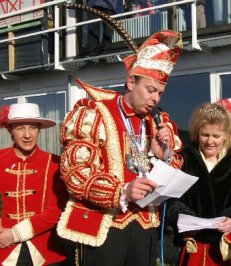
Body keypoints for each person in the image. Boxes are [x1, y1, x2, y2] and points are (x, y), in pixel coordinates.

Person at [56, 30, 184, 266]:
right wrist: (122, 191)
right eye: (150, 90)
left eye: (160, 93)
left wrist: (162, 156)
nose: (155, 99)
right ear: (130, 82)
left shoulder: (158, 122)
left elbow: (173, 168)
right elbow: (75, 172)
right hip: (103, 225)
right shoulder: (93, 113)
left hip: (145, 224)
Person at [166, 103, 231, 265]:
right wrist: (185, 220)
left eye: (216, 136)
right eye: (205, 135)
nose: (210, 141)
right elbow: (172, 200)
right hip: (197, 245)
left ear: (227, 135)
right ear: (196, 133)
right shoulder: (184, 158)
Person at [0, 102, 67, 265]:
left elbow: (58, 209)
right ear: (10, 130)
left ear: (39, 129)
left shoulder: (55, 163)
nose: (27, 135)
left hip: (45, 250)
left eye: (32, 127)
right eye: (20, 128)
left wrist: (15, 234)